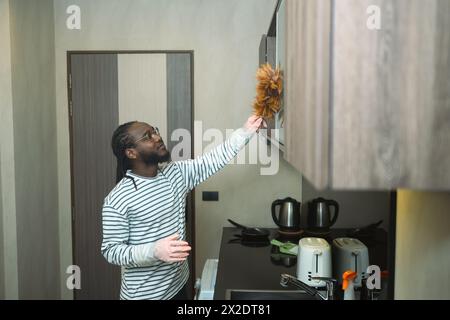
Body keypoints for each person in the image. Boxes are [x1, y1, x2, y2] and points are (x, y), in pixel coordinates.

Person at [101, 115, 263, 300]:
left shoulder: (175, 174)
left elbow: (213, 159)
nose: (157, 137)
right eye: (147, 136)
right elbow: (111, 251)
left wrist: (246, 131)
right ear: (131, 153)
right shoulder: (118, 199)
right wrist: (154, 250)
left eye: (155, 131)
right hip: (145, 296)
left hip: (179, 285)